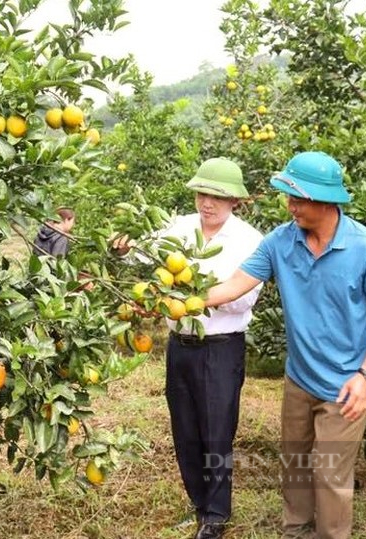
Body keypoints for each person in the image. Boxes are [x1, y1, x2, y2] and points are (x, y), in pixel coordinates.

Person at [204, 151, 366, 539]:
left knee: (330, 475)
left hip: (347, 385)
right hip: (299, 380)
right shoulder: (281, 242)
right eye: (289, 198)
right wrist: (180, 298)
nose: (290, 207)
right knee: (295, 467)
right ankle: (294, 531)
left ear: (325, 201)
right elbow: (233, 285)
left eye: (298, 199)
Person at [118, 157, 263, 539]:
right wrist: (121, 248)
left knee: (217, 431)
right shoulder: (178, 227)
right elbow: (142, 254)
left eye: (217, 196)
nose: (207, 203)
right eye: (202, 194)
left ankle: (216, 515)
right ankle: (199, 505)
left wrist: (192, 291)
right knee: (185, 429)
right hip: (180, 345)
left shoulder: (249, 240)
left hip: (221, 348)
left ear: (235, 201)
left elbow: (242, 301)